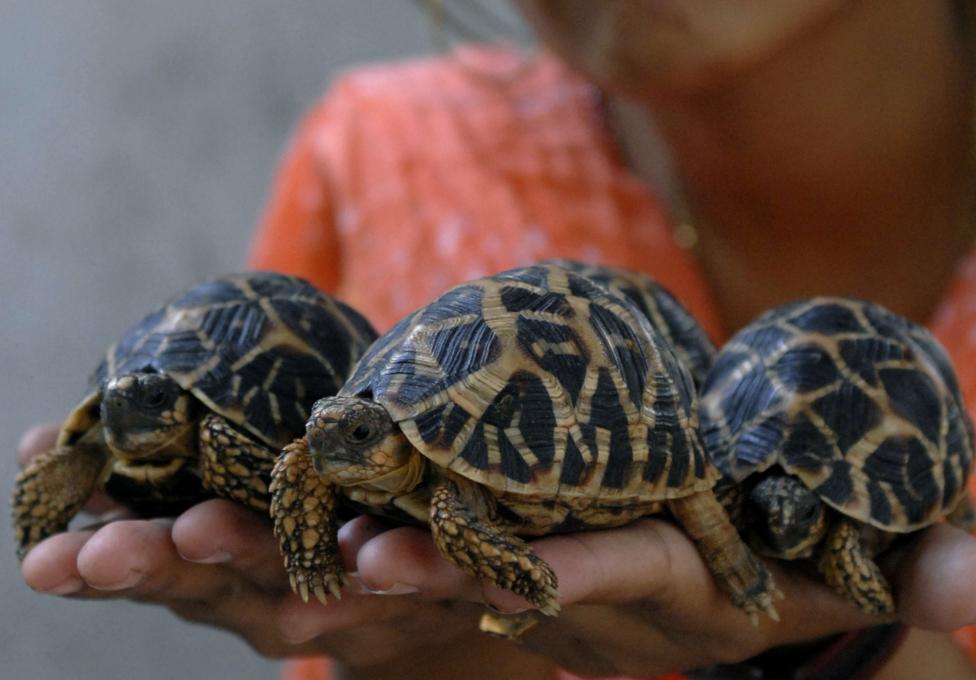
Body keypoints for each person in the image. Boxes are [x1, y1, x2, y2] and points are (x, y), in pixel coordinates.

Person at [17, 1, 976, 678]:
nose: (328, 445)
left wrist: (846, 648)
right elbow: (329, 472)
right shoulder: (379, 154)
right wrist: (423, 636)